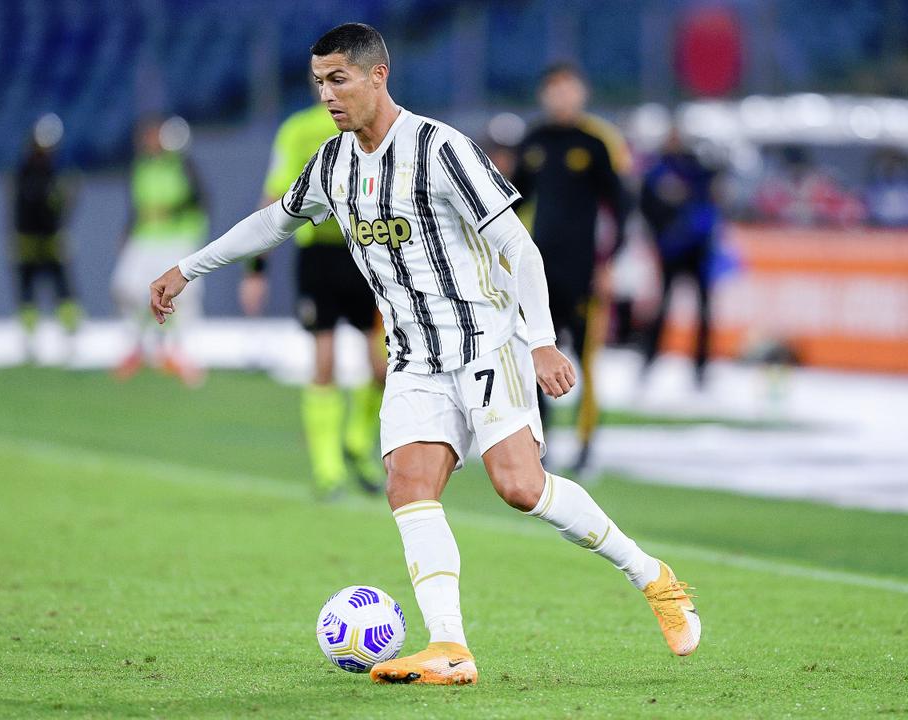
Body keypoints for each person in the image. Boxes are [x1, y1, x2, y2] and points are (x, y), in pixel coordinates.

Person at [150, 23, 699, 686]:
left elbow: (518, 248)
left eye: (338, 79)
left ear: (377, 75)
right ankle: (449, 647)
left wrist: (542, 340)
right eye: (319, 82)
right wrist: (189, 268)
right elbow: (273, 222)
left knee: (520, 488)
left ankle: (653, 577)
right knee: (408, 487)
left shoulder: (440, 149)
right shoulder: (332, 164)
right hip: (413, 358)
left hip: (485, 343)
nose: (327, 95)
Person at [240, 101, 386, 497]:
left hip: (369, 252)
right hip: (319, 257)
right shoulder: (298, 130)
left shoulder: (375, 121)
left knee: (383, 367)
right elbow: (274, 197)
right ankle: (328, 469)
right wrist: (256, 268)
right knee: (325, 361)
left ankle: (357, 441)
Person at [512, 63, 631, 477]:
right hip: (540, 274)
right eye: (554, 89)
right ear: (544, 95)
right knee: (535, 355)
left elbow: (621, 208)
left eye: (568, 89)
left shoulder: (597, 142)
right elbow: (511, 205)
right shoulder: (534, 141)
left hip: (584, 272)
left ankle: (585, 445)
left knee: (586, 359)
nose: (561, 97)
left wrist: (608, 263)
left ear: (582, 94)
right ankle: (540, 443)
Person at [112, 117, 208, 386]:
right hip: (145, 239)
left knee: (185, 297)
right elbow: (137, 206)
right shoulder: (141, 167)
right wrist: (127, 231)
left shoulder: (183, 165)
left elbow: (198, 200)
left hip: (177, 239)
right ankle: (138, 346)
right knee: (126, 288)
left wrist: (176, 215)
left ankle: (179, 352)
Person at [638, 128, 720, 388]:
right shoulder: (658, 171)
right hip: (671, 249)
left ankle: (701, 368)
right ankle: (649, 360)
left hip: (697, 250)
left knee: (703, 310)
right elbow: (646, 206)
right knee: (662, 308)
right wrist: (661, 236)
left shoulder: (696, 168)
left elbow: (711, 199)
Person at [11, 116, 81, 360]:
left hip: (49, 238)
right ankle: (30, 339)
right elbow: (20, 208)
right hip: (30, 239)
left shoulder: (53, 170)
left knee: (62, 289)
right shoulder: (28, 170)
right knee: (28, 291)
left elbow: (62, 206)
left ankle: (70, 336)